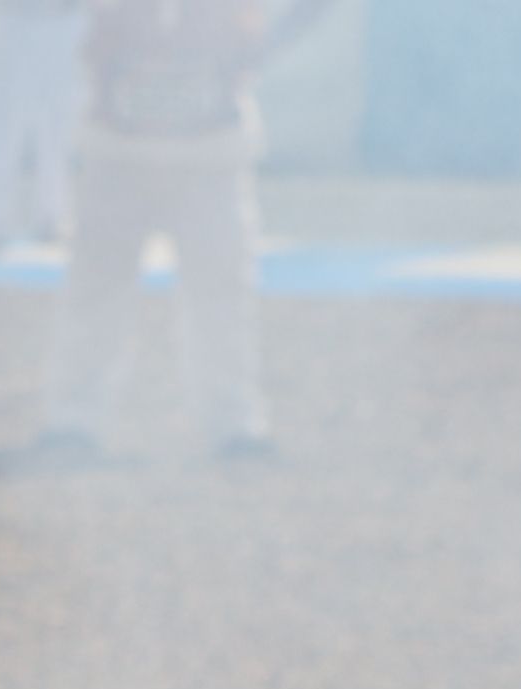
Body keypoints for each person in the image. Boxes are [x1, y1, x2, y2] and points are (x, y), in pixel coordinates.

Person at [42, 0, 323, 455]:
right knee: (98, 287)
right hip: (119, 145)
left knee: (220, 293)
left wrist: (259, 48)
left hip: (208, 149)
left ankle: (233, 424)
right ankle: (75, 418)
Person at [0, 0, 81, 250]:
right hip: (15, 18)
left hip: (62, 19)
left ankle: (51, 218)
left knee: (57, 126)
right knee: (5, 126)